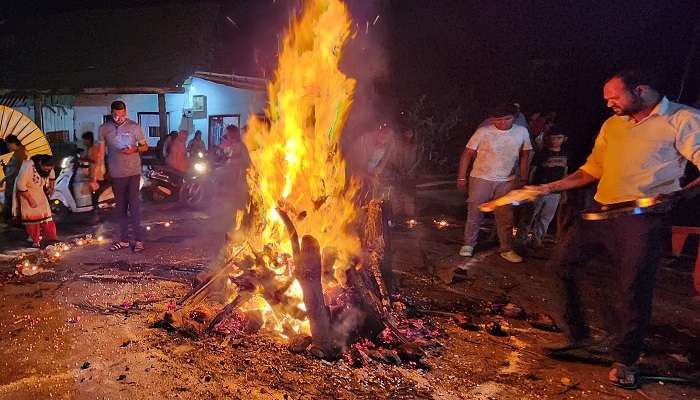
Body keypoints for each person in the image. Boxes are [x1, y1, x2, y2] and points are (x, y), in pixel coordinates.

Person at [530, 68, 700, 389]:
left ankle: (627, 359)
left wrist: (681, 196)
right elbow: (593, 168)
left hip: (641, 218)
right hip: (600, 211)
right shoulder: (614, 125)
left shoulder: (681, 119)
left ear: (640, 90)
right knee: (560, 267)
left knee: (633, 288)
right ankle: (579, 336)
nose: (608, 103)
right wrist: (549, 187)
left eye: (614, 96)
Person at [457, 103, 532, 262]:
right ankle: (469, 244)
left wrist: (523, 179)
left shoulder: (522, 132)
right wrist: (462, 177)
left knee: (505, 215)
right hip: (480, 178)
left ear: (514, 118)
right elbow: (467, 154)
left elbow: (525, 155)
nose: (503, 123)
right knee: (475, 211)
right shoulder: (484, 132)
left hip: (507, 180)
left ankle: (506, 248)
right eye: (498, 120)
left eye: (507, 119)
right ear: (492, 119)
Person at [97, 100, 149, 253]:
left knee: (134, 207)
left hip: (133, 172)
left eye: (121, 114)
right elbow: (100, 152)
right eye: (115, 115)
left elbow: (145, 146)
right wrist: (96, 174)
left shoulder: (134, 127)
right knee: (120, 209)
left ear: (126, 112)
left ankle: (139, 240)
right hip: (116, 173)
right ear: (111, 113)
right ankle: (124, 240)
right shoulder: (104, 129)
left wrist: (134, 150)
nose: (118, 117)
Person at [515, 129, 568, 248]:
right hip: (537, 189)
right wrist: (528, 186)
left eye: (558, 138)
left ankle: (536, 241)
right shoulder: (542, 153)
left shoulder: (565, 154)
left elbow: (565, 173)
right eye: (553, 138)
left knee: (545, 218)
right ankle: (520, 241)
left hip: (555, 192)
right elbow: (533, 170)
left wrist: (564, 192)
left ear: (564, 139)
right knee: (529, 216)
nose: (555, 141)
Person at [13, 154, 57, 247]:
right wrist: (30, 199)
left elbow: (51, 175)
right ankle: (35, 240)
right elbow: (20, 185)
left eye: (49, 169)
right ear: (40, 163)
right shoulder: (28, 166)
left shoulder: (48, 165)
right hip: (26, 192)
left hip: (40, 192)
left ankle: (51, 238)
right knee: (33, 219)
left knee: (47, 216)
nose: (48, 171)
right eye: (46, 169)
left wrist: (51, 186)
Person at [389, 126, 420, 219]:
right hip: (399, 175)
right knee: (397, 195)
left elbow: (418, 160)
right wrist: (399, 169)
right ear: (403, 134)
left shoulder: (415, 146)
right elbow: (394, 159)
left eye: (410, 133)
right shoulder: (398, 146)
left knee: (409, 196)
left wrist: (411, 170)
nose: (409, 135)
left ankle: (410, 216)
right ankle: (397, 216)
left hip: (411, 175)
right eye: (407, 133)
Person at [1, 135, 27, 221]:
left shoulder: (20, 154)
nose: (8, 147)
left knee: (12, 200)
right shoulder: (19, 152)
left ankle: (13, 218)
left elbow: (14, 171)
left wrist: (3, 179)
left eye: (8, 145)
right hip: (12, 182)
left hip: (14, 183)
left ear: (13, 143)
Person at [81, 131, 108, 213]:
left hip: (98, 175)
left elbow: (96, 161)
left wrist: (94, 179)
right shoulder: (89, 148)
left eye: (84, 140)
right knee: (93, 193)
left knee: (95, 194)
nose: (83, 142)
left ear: (89, 140)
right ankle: (95, 210)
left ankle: (96, 212)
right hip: (93, 174)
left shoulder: (95, 149)